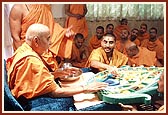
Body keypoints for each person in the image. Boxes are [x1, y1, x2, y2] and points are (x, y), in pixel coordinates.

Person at [6, 24, 108, 110]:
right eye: (48, 39)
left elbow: (35, 78)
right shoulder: (31, 60)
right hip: (28, 102)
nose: (50, 42)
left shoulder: (23, 49)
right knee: (70, 100)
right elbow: (55, 92)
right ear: (36, 41)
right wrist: (86, 88)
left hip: (25, 94)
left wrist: (60, 72)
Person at [9, 4, 75, 72]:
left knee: (48, 77)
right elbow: (15, 37)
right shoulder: (18, 8)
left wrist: (63, 33)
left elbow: (51, 28)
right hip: (28, 54)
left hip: (45, 52)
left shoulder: (44, 6)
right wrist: (24, 59)